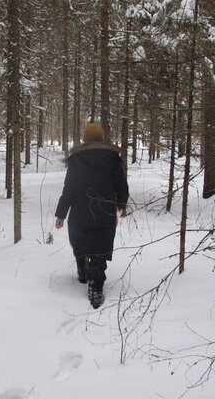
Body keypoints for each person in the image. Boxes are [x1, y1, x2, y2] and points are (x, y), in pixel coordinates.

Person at [54, 122, 129, 309]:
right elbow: (121, 186)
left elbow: (69, 188)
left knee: (80, 241)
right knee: (100, 249)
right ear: (102, 137)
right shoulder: (113, 159)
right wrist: (120, 204)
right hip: (104, 211)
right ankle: (95, 287)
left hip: (80, 211)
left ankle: (84, 270)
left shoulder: (77, 159)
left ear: (85, 138)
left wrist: (61, 214)